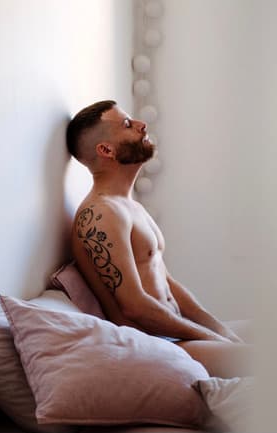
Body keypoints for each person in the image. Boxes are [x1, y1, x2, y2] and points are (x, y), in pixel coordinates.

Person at [66, 100, 251, 378]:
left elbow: (168, 283)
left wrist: (220, 331)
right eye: (127, 124)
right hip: (155, 344)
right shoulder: (101, 212)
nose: (142, 125)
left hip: (176, 332)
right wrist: (211, 338)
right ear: (106, 150)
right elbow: (134, 306)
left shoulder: (130, 206)